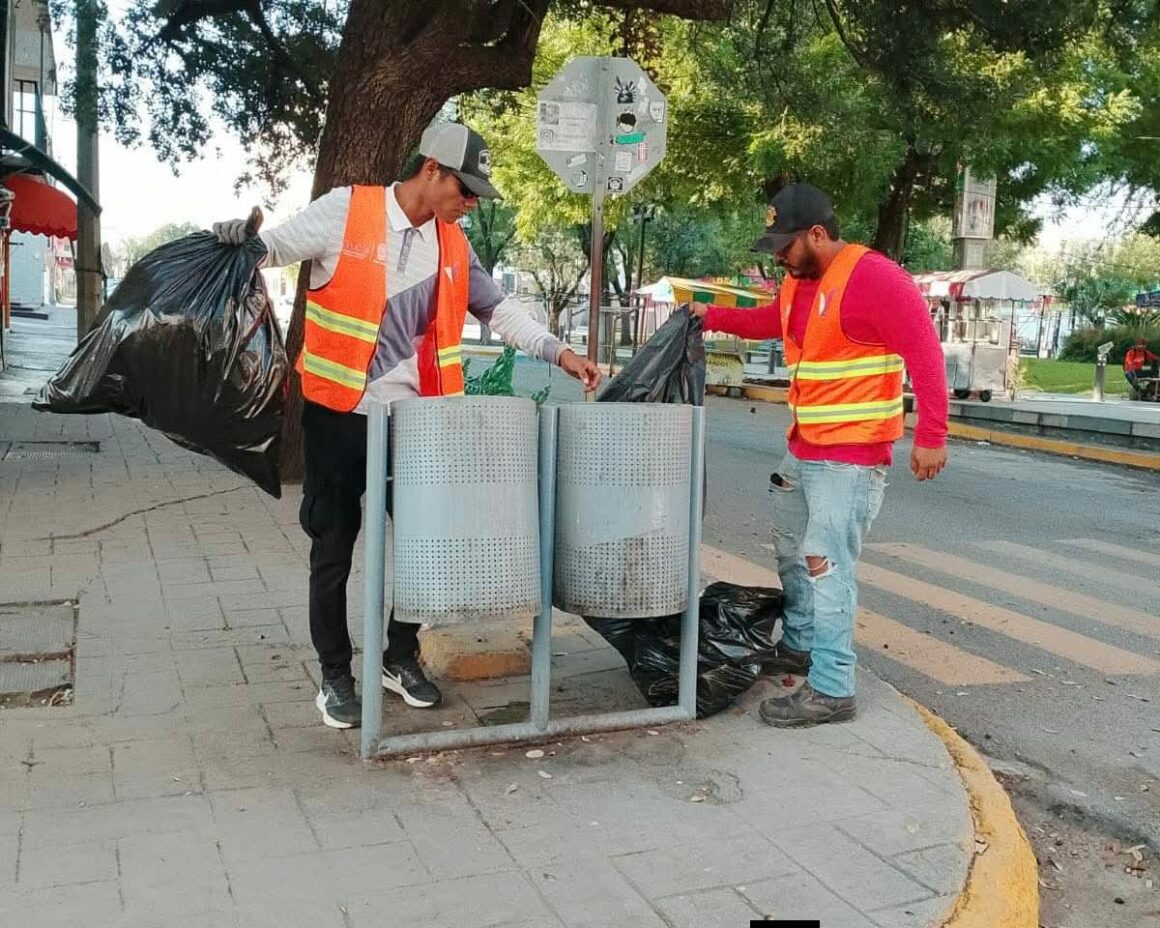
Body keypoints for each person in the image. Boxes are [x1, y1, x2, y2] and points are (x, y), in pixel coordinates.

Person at [213, 123, 602, 729]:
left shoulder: (453, 244)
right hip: (339, 415)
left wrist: (558, 351)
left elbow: (500, 309)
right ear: (431, 169)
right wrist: (238, 242)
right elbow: (275, 249)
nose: (470, 202)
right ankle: (335, 676)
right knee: (333, 548)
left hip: (418, 427)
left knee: (431, 546)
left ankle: (399, 655)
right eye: (465, 188)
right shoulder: (346, 210)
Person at [691, 183, 948, 728]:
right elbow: (769, 323)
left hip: (851, 458)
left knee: (826, 566)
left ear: (817, 234)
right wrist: (706, 315)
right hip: (804, 449)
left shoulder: (875, 279)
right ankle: (802, 647)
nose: (779, 257)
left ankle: (832, 687)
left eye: (785, 246)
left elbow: (924, 353)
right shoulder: (798, 283)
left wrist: (932, 434)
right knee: (791, 550)